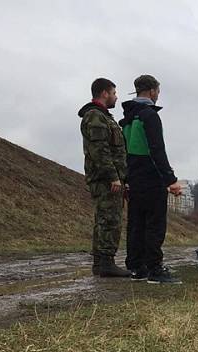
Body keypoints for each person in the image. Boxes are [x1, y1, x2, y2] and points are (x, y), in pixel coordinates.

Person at [120, 74, 183, 284]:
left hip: (134, 177)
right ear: (153, 91)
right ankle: (155, 269)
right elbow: (157, 149)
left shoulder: (127, 118)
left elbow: (124, 152)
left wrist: (125, 178)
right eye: (158, 91)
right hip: (151, 177)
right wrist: (170, 179)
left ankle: (137, 268)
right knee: (155, 225)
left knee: (136, 224)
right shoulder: (149, 115)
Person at [78, 77, 130, 277]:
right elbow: (100, 150)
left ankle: (101, 263)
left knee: (104, 219)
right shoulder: (95, 117)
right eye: (114, 93)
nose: (116, 97)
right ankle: (106, 262)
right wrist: (113, 177)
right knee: (109, 220)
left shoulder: (103, 117)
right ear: (104, 93)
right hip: (106, 179)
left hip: (109, 177)